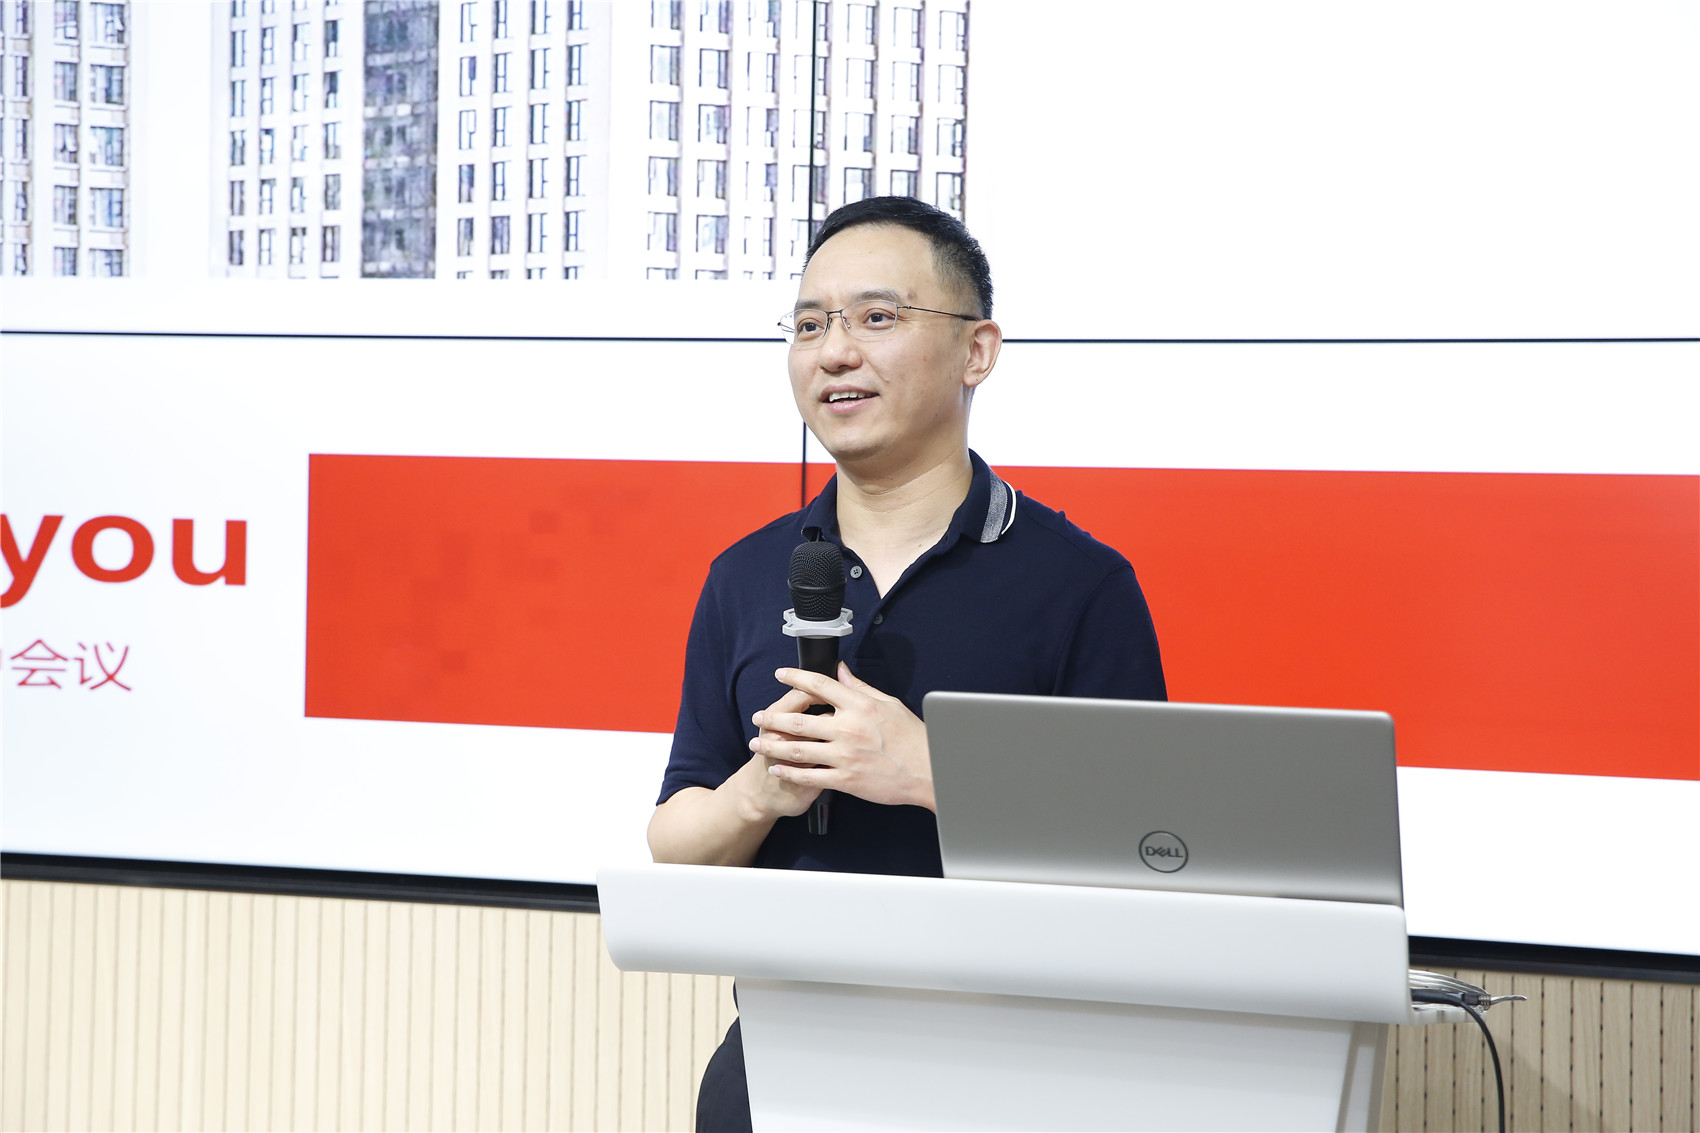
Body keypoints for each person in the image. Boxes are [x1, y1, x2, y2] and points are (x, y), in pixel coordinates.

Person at [647, 196, 1166, 1130]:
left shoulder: (1080, 583)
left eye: (876, 318)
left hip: (1014, 1078)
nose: (834, 352)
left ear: (977, 351)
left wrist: (930, 772)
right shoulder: (747, 574)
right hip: (779, 1065)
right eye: (810, 325)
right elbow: (675, 838)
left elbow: (1146, 852)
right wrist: (761, 790)